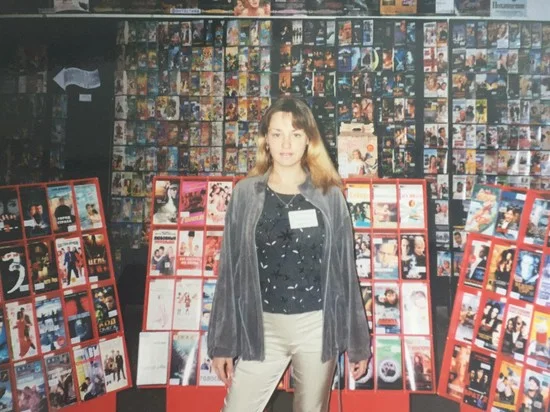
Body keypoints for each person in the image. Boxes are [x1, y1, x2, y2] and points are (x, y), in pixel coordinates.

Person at [207, 97, 370, 412]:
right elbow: (229, 274)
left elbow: (346, 274)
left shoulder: (329, 196)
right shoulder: (245, 194)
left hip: (316, 328)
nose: (286, 143)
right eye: (277, 133)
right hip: (262, 328)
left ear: (308, 140)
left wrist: (358, 344)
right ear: (265, 139)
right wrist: (222, 343)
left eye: (295, 134)